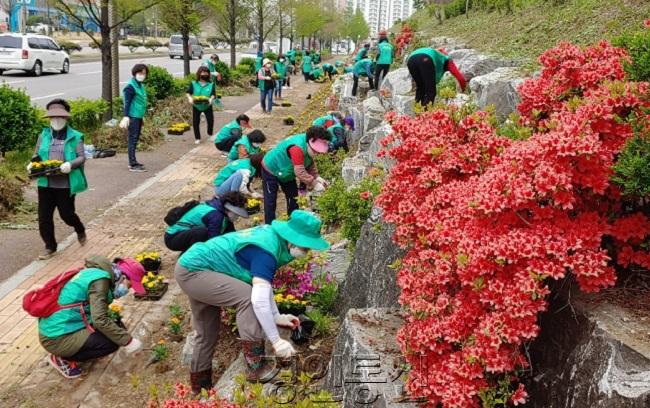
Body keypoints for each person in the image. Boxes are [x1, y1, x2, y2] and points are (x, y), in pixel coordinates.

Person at [174, 210, 330, 393]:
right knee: (246, 298)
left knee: (208, 330)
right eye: (305, 247)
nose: (306, 252)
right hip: (194, 270)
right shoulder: (267, 251)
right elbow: (258, 300)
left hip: (194, 264)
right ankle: (255, 367)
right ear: (293, 239)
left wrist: (276, 316)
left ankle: (200, 388)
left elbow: (263, 284)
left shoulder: (274, 240)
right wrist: (276, 341)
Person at [39, 255, 144, 379]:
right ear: (124, 277)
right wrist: (129, 342)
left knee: (117, 330)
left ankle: (75, 348)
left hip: (64, 327)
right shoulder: (100, 283)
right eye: (130, 285)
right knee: (111, 343)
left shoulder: (98, 274)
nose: (128, 290)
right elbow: (100, 319)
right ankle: (62, 358)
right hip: (56, 338)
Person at [29, 99, 88, 260]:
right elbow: (37, 155)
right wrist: (32, 164)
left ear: (66, 118)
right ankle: (50, 246)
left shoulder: (76, 137)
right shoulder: (44, 135)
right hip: (46, 183)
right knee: (44, 217)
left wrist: (70, 164)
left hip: (65, 184)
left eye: (60, 117)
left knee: (67, 214)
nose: (56, 120)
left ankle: (79, 228)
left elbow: (82, 157)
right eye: (52, 117)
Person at [261, 127, 331, 224]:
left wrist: (316, 176)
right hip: (272, 168)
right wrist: (314, 183)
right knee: (270, 200)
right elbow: (300, 171)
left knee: (293, 196)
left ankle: (293, 221)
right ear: (309, 143)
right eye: (316, 152)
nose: (317, 154)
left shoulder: (308, 145)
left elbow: (309, 162)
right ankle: (269, 227)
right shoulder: (297, 148)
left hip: (287, 171)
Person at [164, 193, 249, 253]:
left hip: (183, 236)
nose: (237, 217)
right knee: (201, 232)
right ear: (229, 209)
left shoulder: (219, 208)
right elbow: (213, 242)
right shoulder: (216, 216)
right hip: (172, 238)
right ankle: (192, 256)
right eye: (237, 215)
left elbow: (231, 234)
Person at [120, 64, 148, 172]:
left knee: (135, 140)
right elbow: (127, 103)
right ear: (135, 73)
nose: (142, 75)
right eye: (140, 73)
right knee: (132, 140)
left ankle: (134, 162)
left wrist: (142, 116)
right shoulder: (130, 87)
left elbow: (141, 102)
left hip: (138, 116)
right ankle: (132, 164)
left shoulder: (140, 85)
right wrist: (126, 116)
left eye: (144, 73)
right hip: (133, 117)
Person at [186, 66, 216, 144]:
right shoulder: (193, 83)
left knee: (210, 121)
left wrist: (211, 99)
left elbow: (213, 94)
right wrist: (190, 98)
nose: (205, 75)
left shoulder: (211, 84)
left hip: (207, 105)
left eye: (207, 73)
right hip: (196, 105)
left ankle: (210, 133)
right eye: (203, 73)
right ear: (199, 74)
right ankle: (197, 138)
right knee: (195, 122)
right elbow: (188, 92)